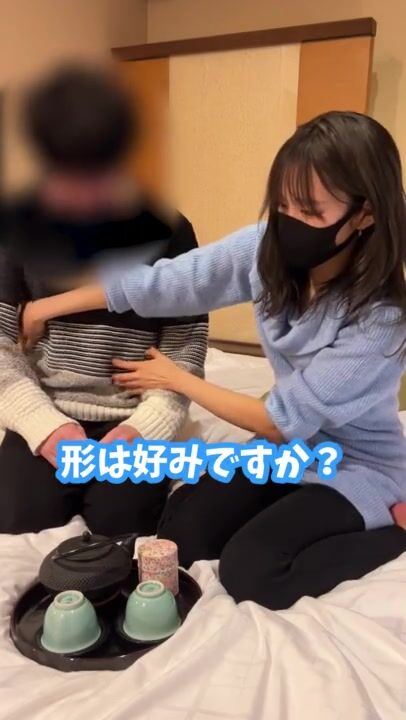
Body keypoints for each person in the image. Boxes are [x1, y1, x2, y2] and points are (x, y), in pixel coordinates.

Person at [21, 111, 406, 610]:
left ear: (365, 214)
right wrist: (47, 306)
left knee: (254, 572)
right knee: (183, 535)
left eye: (311, 211)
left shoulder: (382, 318)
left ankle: (395, 531)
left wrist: (176, 378)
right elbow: (162, 283)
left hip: (358, 464)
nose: (289, 221)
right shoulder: (265, 249)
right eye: (283, 204)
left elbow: (279, 420)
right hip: (292, 449)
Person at [0, 64, 208, 535]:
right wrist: (46, 427)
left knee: (123, 525)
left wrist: (143, 428)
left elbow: (185, 354)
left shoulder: (169, 232)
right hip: (47, 404)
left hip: (133, 414)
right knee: (19, 518)